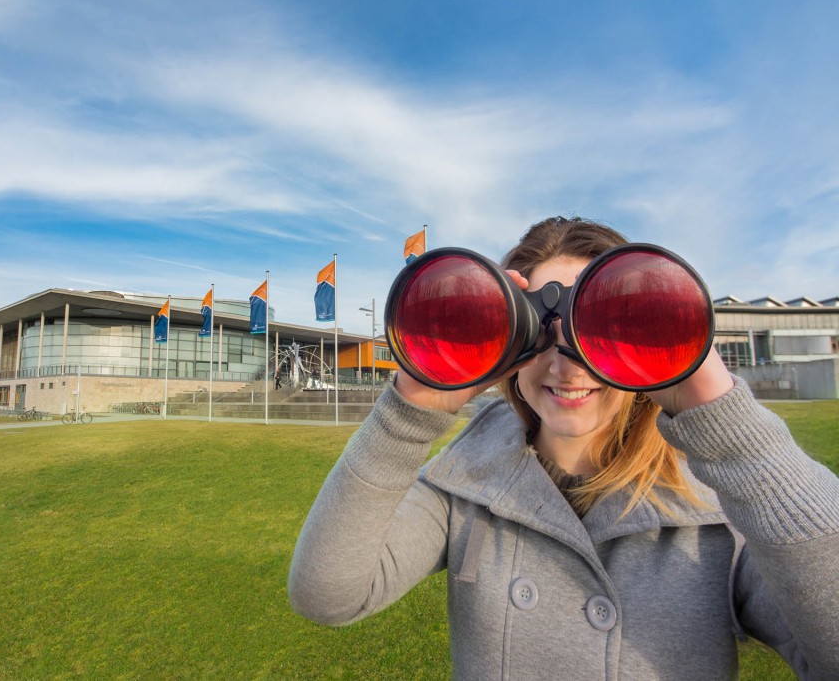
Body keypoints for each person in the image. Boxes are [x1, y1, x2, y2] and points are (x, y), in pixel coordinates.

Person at [288, 216, 839, 679]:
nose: (565, 363)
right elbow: (328, 594)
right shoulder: (464, 483)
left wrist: (726, 421)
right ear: (510, 343)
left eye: (596, 327)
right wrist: (408, 411)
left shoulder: (717, 512)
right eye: (537, 332)